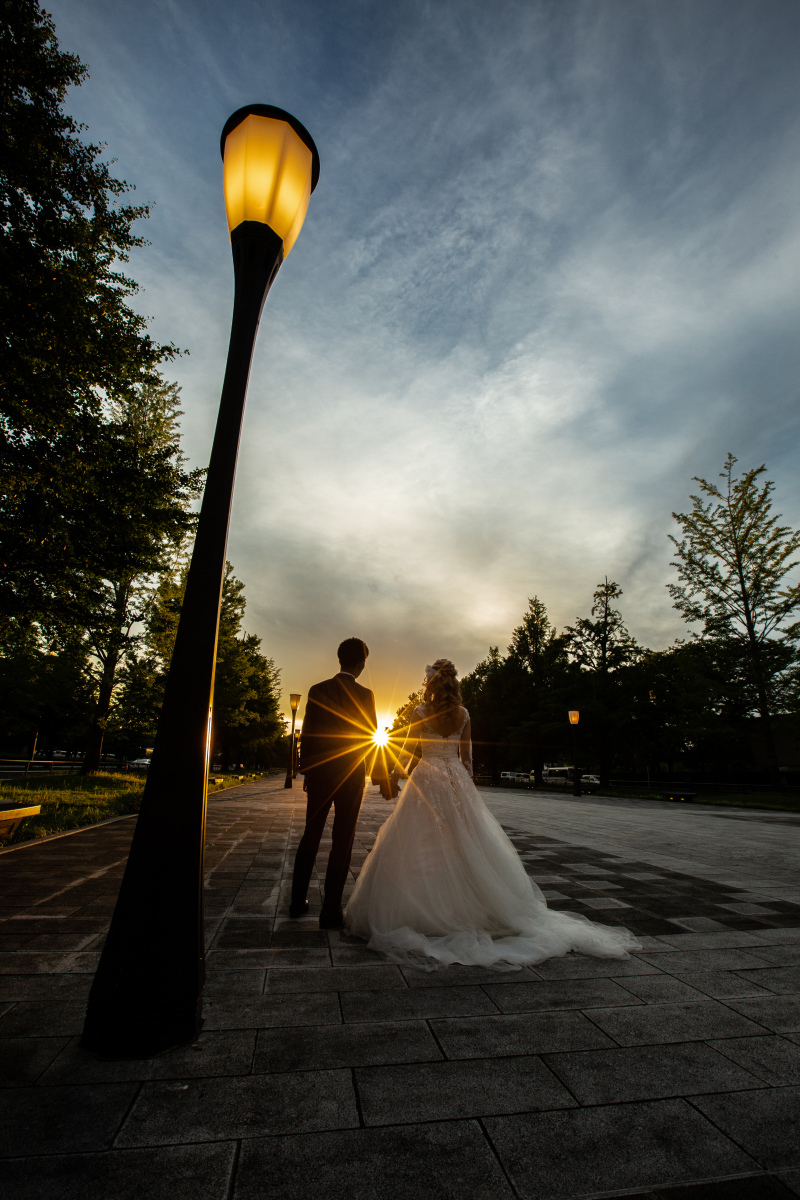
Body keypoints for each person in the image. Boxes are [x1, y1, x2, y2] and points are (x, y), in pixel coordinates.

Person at [345, 658, 641, 968]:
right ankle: (473, 903)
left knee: (420, 840)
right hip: (455, 778)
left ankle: (428, 906)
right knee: (465, 839)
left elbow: (407, 749)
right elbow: (467, 755)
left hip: (427, 777)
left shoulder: (420, 712)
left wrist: (394, 774)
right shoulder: (463, 714)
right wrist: (464, 784)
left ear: (430, 683)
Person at [290, 637, 378, 929]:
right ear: (361, 663)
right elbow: (370, 735)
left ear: (340, 659)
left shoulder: (317, 690)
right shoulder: (366, 695)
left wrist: (307, 771)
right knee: (343, 840)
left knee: (311, 835)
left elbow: (308, 734)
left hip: (320, 776)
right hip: (351, 777)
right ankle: (330, 911)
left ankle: (297, 901)